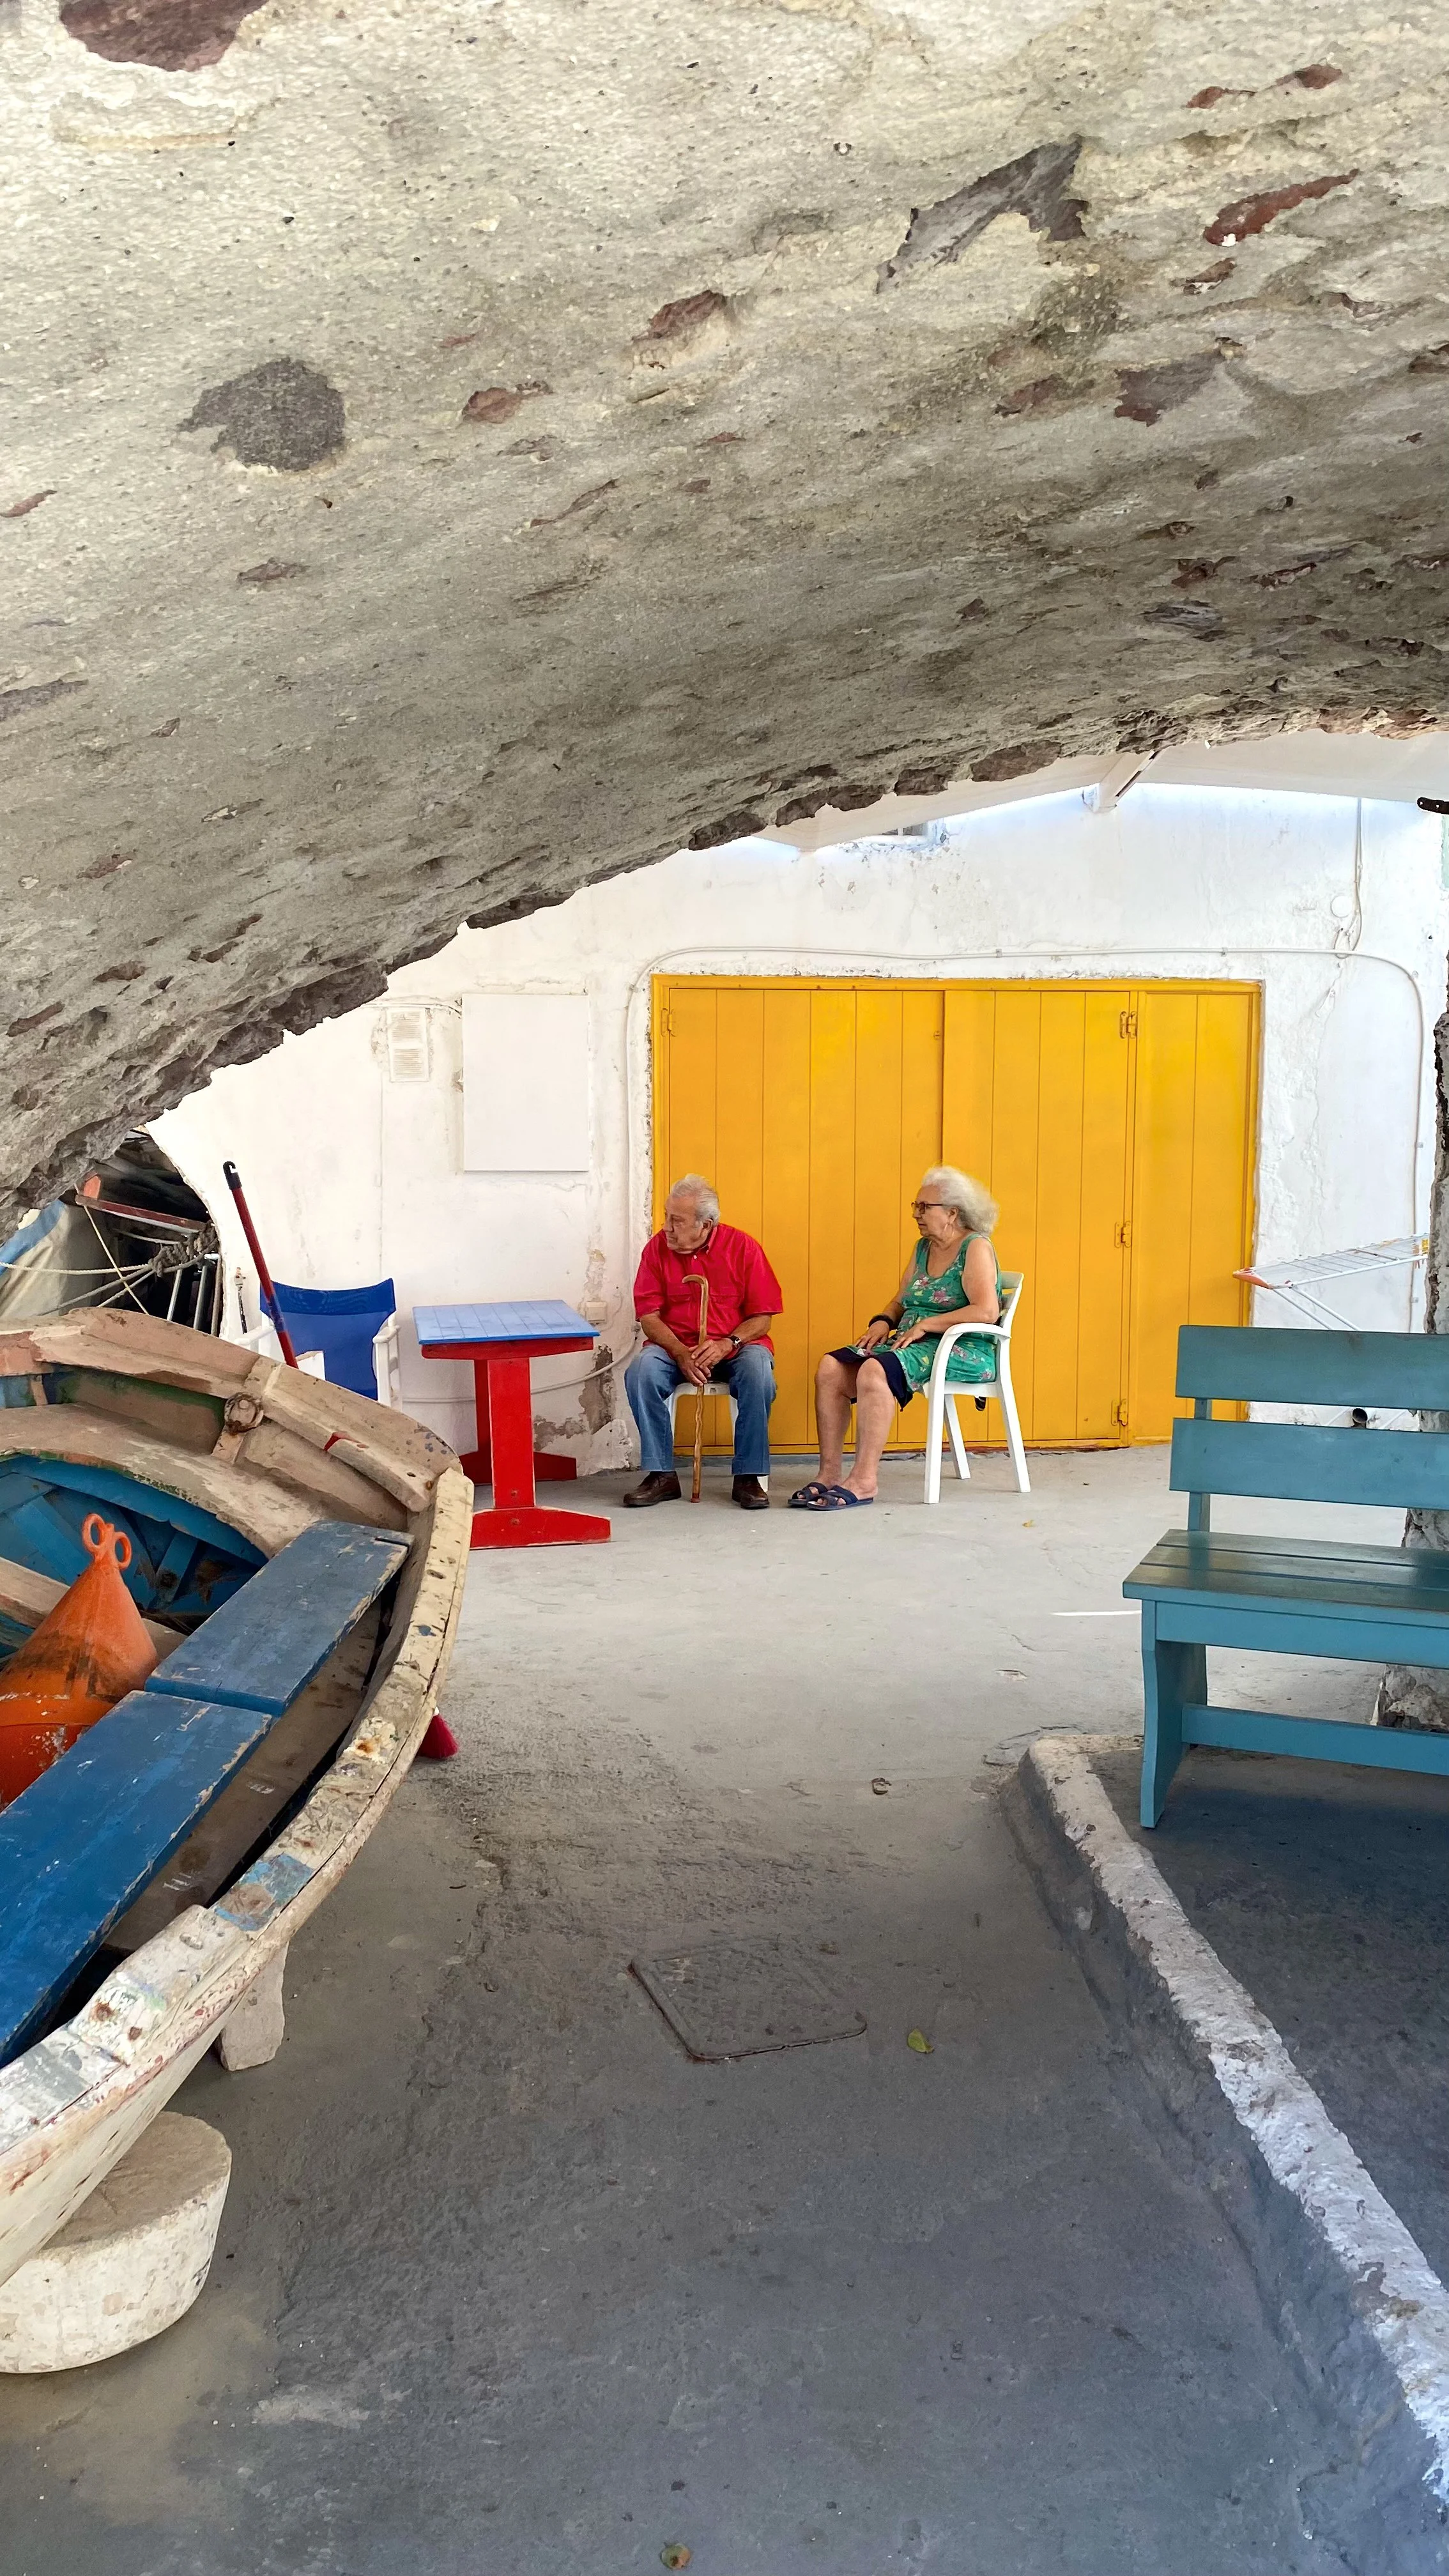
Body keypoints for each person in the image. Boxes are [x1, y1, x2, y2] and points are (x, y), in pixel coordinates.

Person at [790, 1166, 1002, 1512]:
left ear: (953, 1212)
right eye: (915, 1206)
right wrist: (883, 1322)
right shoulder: (923, 1248)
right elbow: (902, 1299)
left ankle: (864, 1480)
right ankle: (829, 1473)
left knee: (875, 1371)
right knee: (831, 1367)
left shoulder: (975, 1247)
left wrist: (928, 1324)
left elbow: (985, 1312)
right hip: (913, 1340)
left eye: (925, 1207)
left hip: (960, 1346)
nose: (917, 1214)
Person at [623, 1175, 782, 1510]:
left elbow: (763, 1317)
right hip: (675, 1347)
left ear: (706, 1225)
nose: (666, 1227)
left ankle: (748, 1476)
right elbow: (649, 1316)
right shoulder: (656, 1249)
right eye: (666, 1217)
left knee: (758, 1370)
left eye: (676, 1221)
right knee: (642, 1372)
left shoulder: (743, 1248)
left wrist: (729, 1342)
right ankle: (661, 1473)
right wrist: (681, 1353)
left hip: (735, 1347)